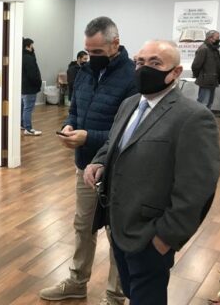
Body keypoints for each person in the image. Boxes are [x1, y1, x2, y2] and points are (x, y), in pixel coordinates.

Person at [85, 40, 220, 305]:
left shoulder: (193, 117)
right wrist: (99, 161)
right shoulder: (130, 104)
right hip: (119, 224)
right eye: (140, 62)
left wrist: (165, 238)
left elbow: (198, 188)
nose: (144, 68)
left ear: (176, 72)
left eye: (156, 63)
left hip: (151, 235)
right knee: (130, 289)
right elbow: (114, 143)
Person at [40, 16, 136, 305]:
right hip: (84, 168)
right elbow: (75, 110)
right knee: (83, 227)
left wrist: (88, 137)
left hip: (118, 171)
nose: (91, 58)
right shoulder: (83, 73)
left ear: (115, 44)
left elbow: (129, 130)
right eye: (87, 51)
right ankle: (76, 282)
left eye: (97, 52)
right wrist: (70, 125)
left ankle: (115, 296)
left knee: (117, 233)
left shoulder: (132, 78)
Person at [191, 30, 220, 109]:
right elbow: (195, 65)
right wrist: (197, 76)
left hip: (212, 79)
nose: (219, 39)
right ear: (210, 38)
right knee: (203, 103)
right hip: (205, 80)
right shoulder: (203, 49)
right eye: (217, 37)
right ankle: (199, 120)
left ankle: (206, 120)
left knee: (209, 102)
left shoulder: (214, 49)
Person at [21, 38, 43, 136]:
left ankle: (23, 125)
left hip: (23, 87)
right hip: (30, 87)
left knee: (23, 107)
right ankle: (28, 129)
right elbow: (32, 74)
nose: (33, 47)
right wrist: (38, 83)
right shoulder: (28, 58)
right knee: (28, 108)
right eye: (32, 45)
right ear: (28, 46)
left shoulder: (22, 56)